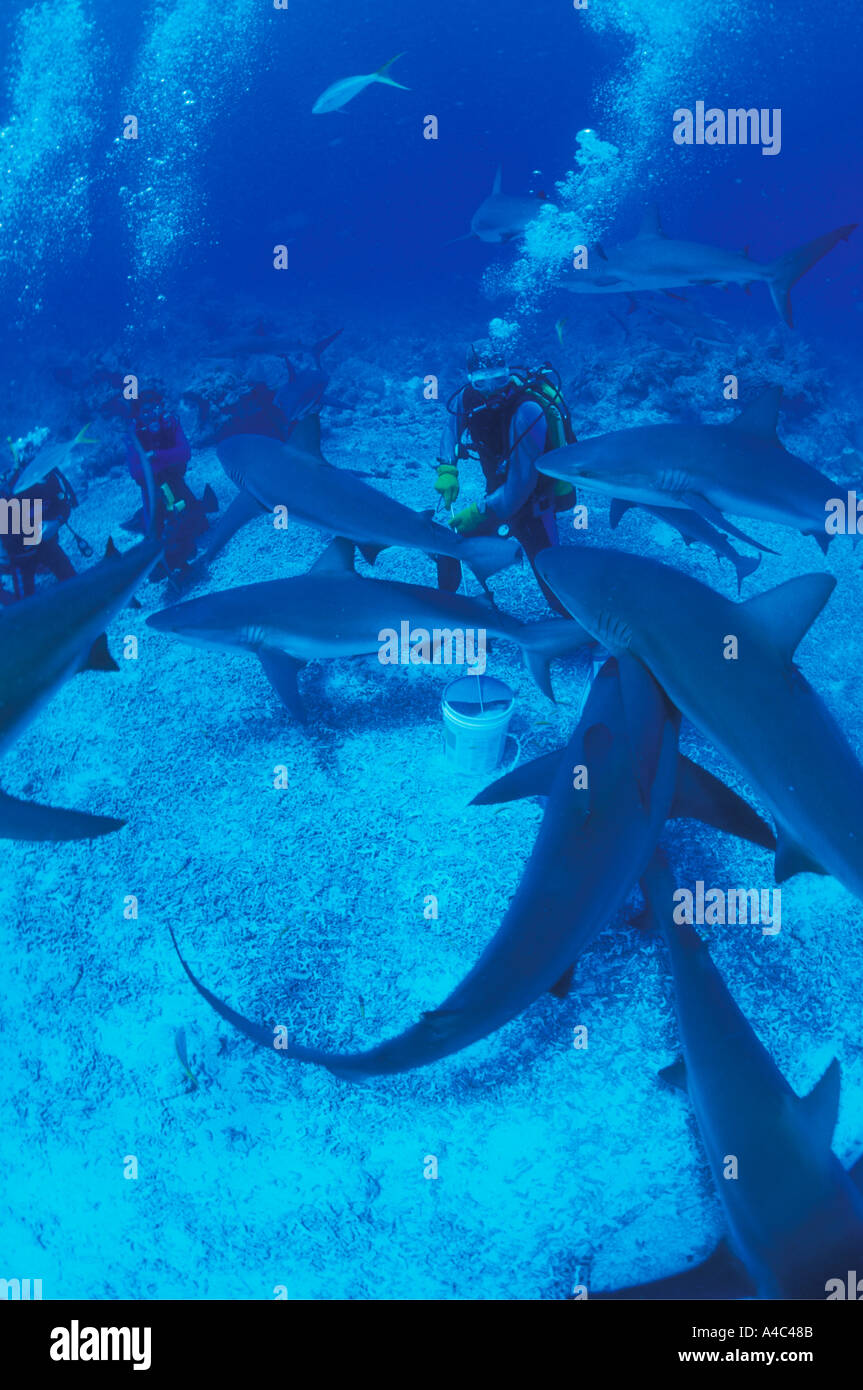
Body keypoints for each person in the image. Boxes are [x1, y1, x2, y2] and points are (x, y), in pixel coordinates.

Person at [434, 340, 576, 614]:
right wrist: (447, 469)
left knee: (556, 587)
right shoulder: (467, 397)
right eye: (481, 383)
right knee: (448, 545)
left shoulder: (528, 411)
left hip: (533, 502)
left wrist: (479, 511)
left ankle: (595, 635)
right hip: (498, 491)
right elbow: (450, 430)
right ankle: (446, 607)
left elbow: (520, 487)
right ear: (470, 380)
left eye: (498, 379)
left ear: (507, 372)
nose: (492, 390)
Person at [125, 398, 216, 576]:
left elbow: (185, 452)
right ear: (138, 416)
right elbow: (135, 472)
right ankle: (141, 520)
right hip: (152, 490)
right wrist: (165, 460)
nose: (152, 415)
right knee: (156, 535)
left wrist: (156, 456)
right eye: (145, 412)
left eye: (156, 409)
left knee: (201, 525)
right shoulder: (133, 435)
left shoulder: (170, 424)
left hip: (174, 480)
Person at [0, 442, 79, 601]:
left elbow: (63, 505)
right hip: (18, 557)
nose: (5, 479)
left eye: (7, 472)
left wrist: (55, 522)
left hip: (47, 545)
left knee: (75, 585)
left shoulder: (41, 477)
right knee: (24, 606)